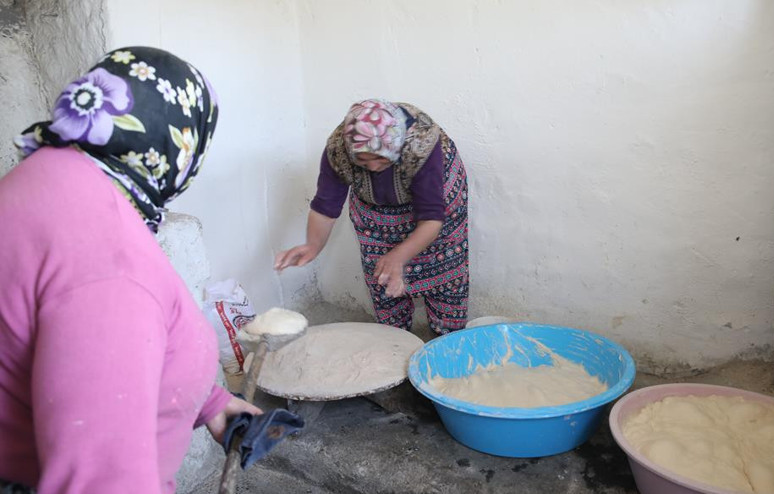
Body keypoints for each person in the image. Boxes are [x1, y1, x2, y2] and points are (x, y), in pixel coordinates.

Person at [0, 46, 260, 493]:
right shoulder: (109, 259)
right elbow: (100, 480)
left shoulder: (46, 178)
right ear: (182, 143)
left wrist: (211, 403)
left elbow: (91, 359)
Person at [275, 99, 469, 334]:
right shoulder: (340, 150)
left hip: (436, 209)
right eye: (364, 161)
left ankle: (446, 338)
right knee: (382, 275)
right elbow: (325, 206)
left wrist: (399, 256)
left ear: (396, 148)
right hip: (375, 211)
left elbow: (431, 219)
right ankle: (394, 340)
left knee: (444, 273)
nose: (374, 167)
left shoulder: (421, 146)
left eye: (381, 158)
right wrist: (313, 245)